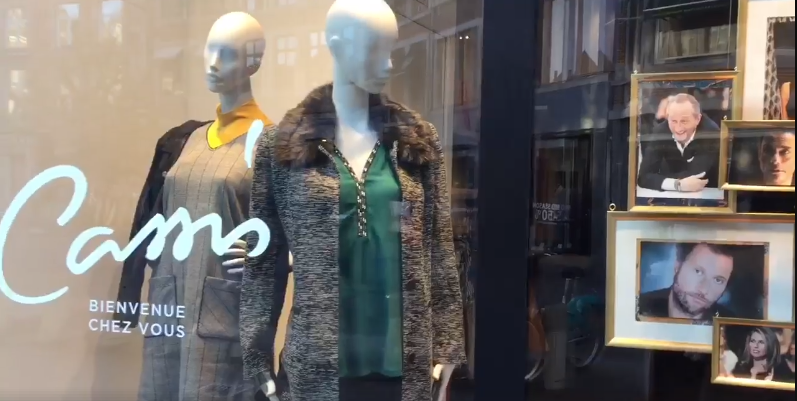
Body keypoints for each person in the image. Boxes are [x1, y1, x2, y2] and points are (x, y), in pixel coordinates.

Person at [637, 93, 721, 192]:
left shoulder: (711, 133)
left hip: (707, 194)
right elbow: (643, 177)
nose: (678, 128)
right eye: (673, 121)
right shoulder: (661, 131)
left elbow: (697, 175)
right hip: (670, 194)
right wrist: (677, 184)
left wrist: (661, 178)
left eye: (684, 121)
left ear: (697, 119)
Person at [637, 242, 735, 323]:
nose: (703, 290)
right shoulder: (639, 308)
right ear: (677, 266)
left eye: (718, 280)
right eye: (698, 271)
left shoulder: (730, 324)